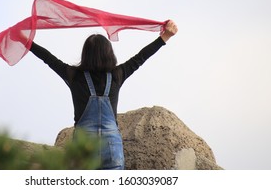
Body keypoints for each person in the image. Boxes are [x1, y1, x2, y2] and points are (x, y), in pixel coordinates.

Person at [29, 20, 178, 169]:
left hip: (83, 147)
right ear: (109, 53)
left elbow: (48, 58)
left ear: (85, 54)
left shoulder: (74, 75)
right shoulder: (117, 75)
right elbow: (141, 57)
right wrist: (165, 37)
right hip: (112, 146)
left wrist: (27, 42)